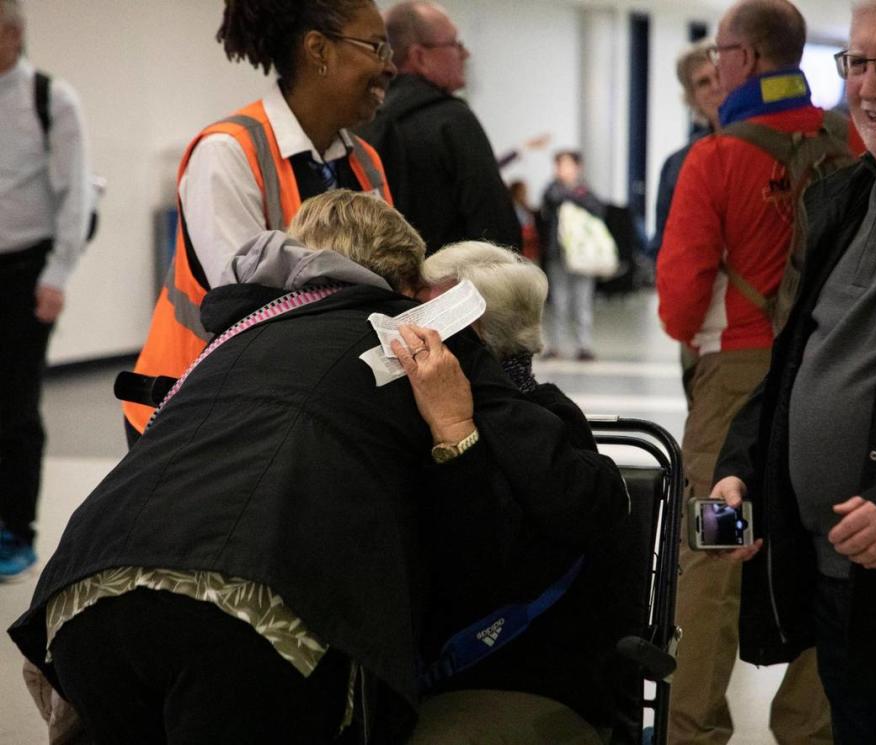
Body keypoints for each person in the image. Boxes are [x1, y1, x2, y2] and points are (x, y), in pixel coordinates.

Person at [9, 190, 627, 745]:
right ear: (417, 294)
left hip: (82, 599)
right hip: (245, 610)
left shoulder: (240, 334)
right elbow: (536, 526)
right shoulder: (410, 340)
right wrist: (457, 436)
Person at [713, 1, 876, 742]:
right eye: (856, 62)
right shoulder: (844, 199)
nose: (867, 86)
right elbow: (796, 363)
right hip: (840, 596)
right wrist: (740, 466)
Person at [655, 1, 850, 743]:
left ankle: (695, 725)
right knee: (832, 545)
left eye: (720, 49)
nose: (715, 63)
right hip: (833, 371)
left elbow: (677, 302)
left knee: (713, 552)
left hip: (738, 377)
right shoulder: (851, 143)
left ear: (745, 57)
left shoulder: (718, 157)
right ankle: (811, 725)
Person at [122, 0, 396, 439]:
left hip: (287, 406)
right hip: (189, 410)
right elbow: (243, 303)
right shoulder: (228, 152)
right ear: (318, 50)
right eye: (377, 48)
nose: (391, 68)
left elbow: (390, 275)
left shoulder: (366, 162)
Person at [408, 241, 645, 745]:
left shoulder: (544, 430)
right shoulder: (443, 417)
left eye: (424, 318)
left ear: (467, 335)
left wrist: (459, 437)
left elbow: (487, 563)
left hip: (520, 682)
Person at [0, 0, 92, 580]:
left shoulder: (50, 101)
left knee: (14, 406)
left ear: (11, 35)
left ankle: (16, 530)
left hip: (25, 271)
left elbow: (76, 195)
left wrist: (56, 275)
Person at [355, 1, 521, 254]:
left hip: (379, 287)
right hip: (451, 287)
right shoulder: (453, 120)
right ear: (420, 57)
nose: (466, 54)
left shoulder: (360, 121)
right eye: (455, 44)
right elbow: (495, 227)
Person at [649, 40, 725, 407]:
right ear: (691, 97)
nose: (714, 88)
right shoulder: (679, 165)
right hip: (699, 317)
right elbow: (664, 245)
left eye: (718, 76)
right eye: (702, 83)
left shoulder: (768, 147)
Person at [541, 150, 606, 362]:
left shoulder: (586, 191)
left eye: (567, 165)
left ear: (578, 167)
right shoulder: (552, 190)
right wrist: (573, 195)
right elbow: (550, 201)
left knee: (582, 301)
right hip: (558, 254)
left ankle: (583, 345)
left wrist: (573, 195)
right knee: (559, 302)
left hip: (583, 256)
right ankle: (556, 345)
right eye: (560, 165)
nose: (563, 170)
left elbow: (599, 209)